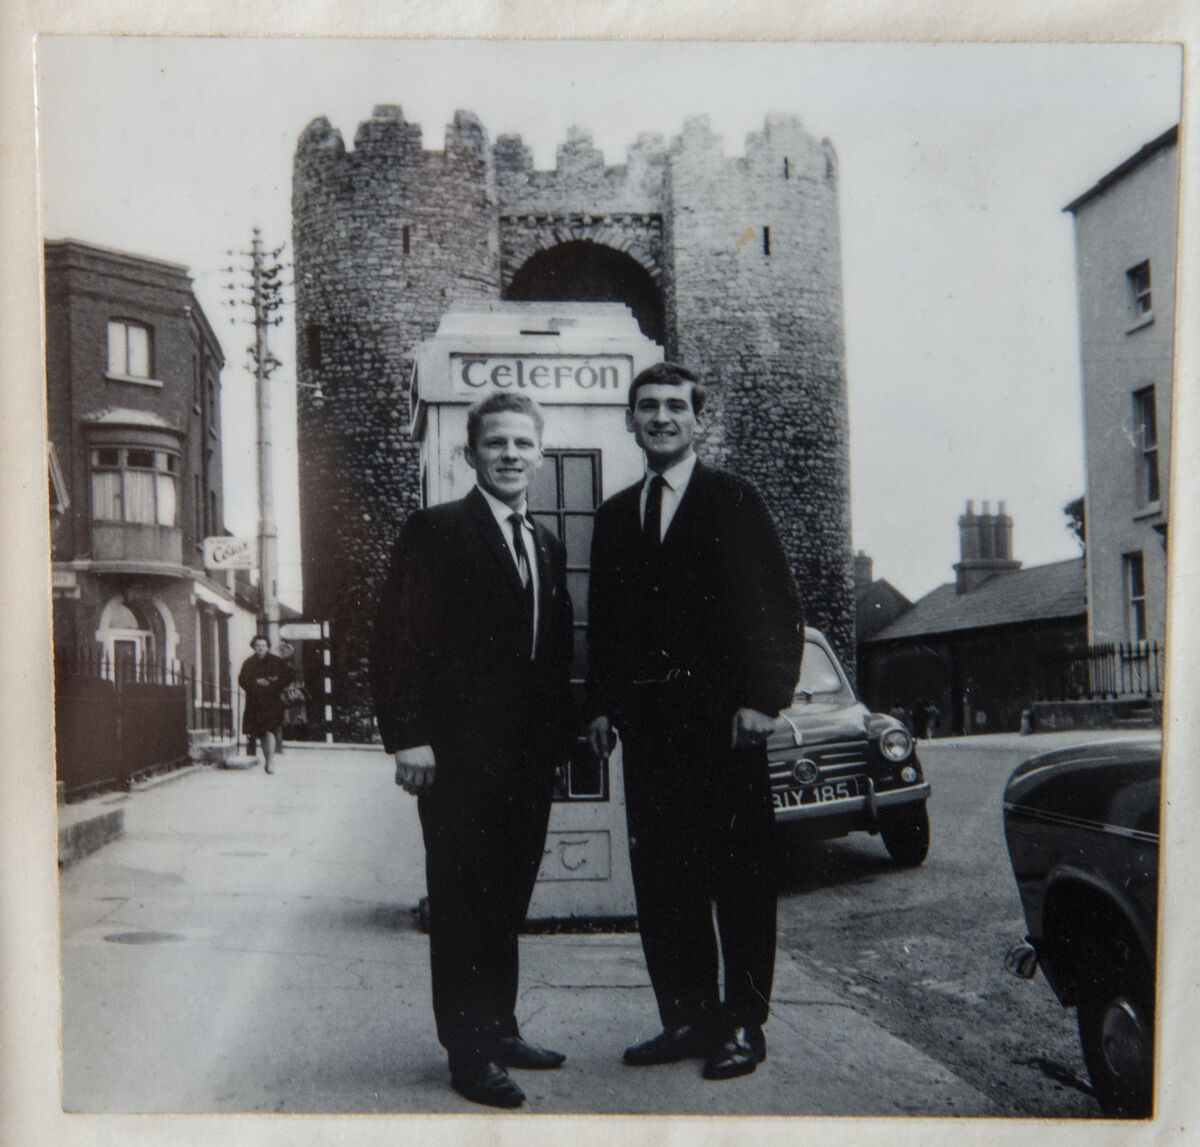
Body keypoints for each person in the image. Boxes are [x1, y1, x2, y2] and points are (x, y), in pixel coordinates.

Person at [586, 361, 804, 1082]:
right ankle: (685, 1015)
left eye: (675, 406)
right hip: (651, 730)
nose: (660, 417)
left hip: (725, 726)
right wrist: (600, 706)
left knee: (738, 873)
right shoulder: (616, 515)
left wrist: (763, 699)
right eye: (646, 406)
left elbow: (777, 608)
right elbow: (607, 626)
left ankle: (742, 1021)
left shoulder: (734, 500)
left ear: (697, 420)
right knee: (664, 876)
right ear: (630, 420)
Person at [370, 392, 575, 1109]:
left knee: (507, 896)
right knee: (462, 900)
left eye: (523, 443)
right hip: (455, 759)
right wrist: (408, 735)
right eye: (497, 444)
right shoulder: (435, 531)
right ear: (472, 454)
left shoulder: (546, 544)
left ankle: (501, 1024)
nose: (511, 454)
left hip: (527, 761)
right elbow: (395, 639)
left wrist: (569, 735)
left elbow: (550, 655)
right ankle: (468, 1050)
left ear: (540, 455)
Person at [238, 635, 293, 775]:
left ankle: (270, 762)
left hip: (272, 702)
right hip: (255, 703)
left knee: (269, 730)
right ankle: (268, 759)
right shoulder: (248, 663)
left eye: (263, 645)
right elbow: (242, 680)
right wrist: (256, 682)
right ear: (253, 647)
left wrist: (272, 682)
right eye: (257, 645)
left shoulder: (276, 661)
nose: (260, 648)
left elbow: (288, 677)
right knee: (261, 733)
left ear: (267, 647)